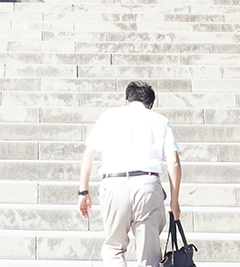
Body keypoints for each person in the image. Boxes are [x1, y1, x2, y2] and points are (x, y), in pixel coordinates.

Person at [77, 82, 182, 267]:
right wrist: (174, 201)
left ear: (127, 99)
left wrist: (83, 192)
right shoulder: (159, 120)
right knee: (150, 255)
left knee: (113, 249)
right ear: (150, 104)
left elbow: (88, 155)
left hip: (114, 183)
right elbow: (173, 161)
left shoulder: (108, 117)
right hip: (147, 186)